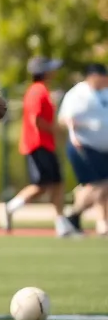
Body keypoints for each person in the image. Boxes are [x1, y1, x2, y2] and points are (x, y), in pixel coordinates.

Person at [0, 57, 71, 235]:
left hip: (46, 144)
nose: (54, 72)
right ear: (44, 72)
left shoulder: (43, 90)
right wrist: (56, 129)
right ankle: (10, 208)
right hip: (37, 144)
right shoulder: (37, 91)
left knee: (57, 183)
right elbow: (37, 120)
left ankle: (61, 223)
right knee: (41, 185)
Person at [57, 62, 108, 236]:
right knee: (99, 184)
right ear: (94, 76)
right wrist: (74, 133)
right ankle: (72, 216)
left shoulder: (105, 92)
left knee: (99, 187)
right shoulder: (78, 93)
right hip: (84, 146)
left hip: (103, 149)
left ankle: (96, 221)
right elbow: (65, 119)